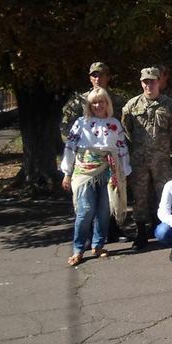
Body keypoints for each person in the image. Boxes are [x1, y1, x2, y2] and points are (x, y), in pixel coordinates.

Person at [61, 87, 132, 267]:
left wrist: (124, 171)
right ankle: (78, 250)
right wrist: (67, 173)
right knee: (85, 211)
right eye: (94, 102)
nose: (98, 105)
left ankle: (98, 245)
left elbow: (121, 148)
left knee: (103, 210)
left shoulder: (114, 123)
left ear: (107, 103)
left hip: (108, 171)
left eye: (101, 101)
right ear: (89, 105)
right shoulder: (81, 123)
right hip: (84, 171)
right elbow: (70, 147)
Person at [121, 67, 172, 251]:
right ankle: (141, 233)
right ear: (141, 83)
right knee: (140, 197)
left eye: (152, 81)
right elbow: (126, 131)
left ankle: (164, 230)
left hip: (161, 159)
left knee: (165, 194)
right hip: (139, 160)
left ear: (159, 82)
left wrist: (159, 145)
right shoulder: (131, 106)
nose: (149, 84)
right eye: (145, 81)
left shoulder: (169, 105)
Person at [60, 62, 126, 138]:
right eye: (94, 76)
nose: (97, 79)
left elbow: (126, 127)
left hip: (111, 145)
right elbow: (65, 124)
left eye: (101, 75)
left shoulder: (118, 101)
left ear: (108, 77)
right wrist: (79, 140)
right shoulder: (81, 100)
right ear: (90, 78)